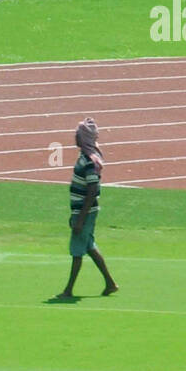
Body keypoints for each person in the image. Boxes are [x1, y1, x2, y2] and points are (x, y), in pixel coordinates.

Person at [56, 117, 118, 299]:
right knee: (89, 246)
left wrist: (80, 219)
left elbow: (92, 190)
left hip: (85, 212)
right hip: (83, 211)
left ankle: (68, 290)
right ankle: (110, 283)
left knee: (77, 251)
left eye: (78, 134)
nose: (75, 137)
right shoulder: (88, 157)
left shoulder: (89, 161)